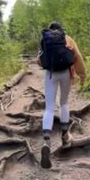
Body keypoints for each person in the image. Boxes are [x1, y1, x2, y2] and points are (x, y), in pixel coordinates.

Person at [37, 22, 86, 169]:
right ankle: (65, 137)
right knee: (64, 103)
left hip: (50, 75)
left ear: (50, 30)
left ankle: (46, 141)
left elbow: (39, 61)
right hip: (66, 73)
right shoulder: (68, 38)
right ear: (60, 30)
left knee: (49, 108)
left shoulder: (45, 39)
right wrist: (82, 75)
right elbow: (77, 56)